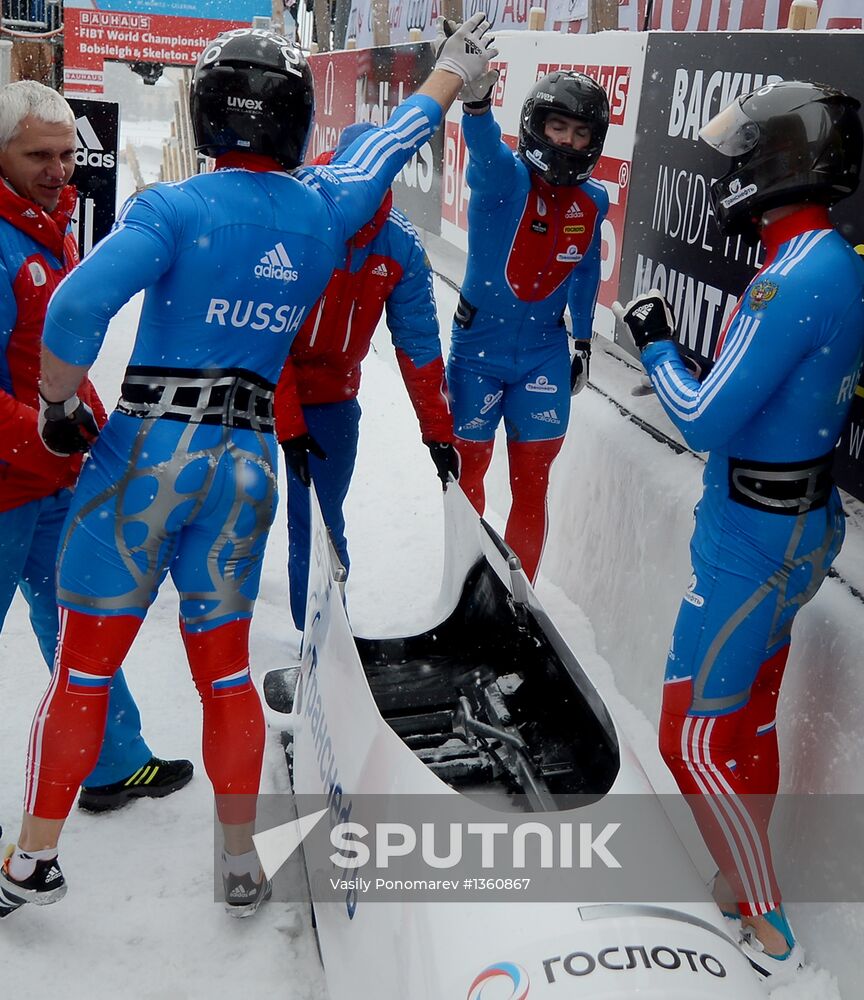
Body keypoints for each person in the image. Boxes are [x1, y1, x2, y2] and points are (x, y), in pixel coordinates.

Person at [0, 17, 497, 918]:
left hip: (149, 450)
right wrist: (451, 75)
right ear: (294, 120)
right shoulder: (321, 210)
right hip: (246, 459)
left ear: (205, 114)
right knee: (223, 672)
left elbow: (75, 311)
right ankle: (237, 860)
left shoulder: (173, 208)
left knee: (83, 669)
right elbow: (389, 145)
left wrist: (62, 407)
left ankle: (33, 858)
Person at [617, 81, 864, 982]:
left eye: (744, 153)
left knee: (689, 736)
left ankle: (764, 917)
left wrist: (652, 339)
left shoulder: (798, 273)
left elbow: (704, 417)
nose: (732, 170)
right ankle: (737, 876)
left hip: (755, 537)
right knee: (747, 713)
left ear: (779, 163)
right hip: (788, 521)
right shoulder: (823, 259)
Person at [0, 82, 192, 834]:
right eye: (38, 155)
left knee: (77, 620)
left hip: (46, 479)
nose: (58, 169)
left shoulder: (48, 224)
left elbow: (54, 361)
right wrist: (41, 431)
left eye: (66, 154)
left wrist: (89, 430)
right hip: (7, 481)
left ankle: (113, 762)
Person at [276, 121, 457, 632]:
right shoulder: (295, 213)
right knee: (238, 510)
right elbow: (264, 334)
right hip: (256, 381)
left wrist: (438, 434)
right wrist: (287, 423)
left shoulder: (398, 243)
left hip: (331, 395)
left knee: (317, 521)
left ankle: (320, 641)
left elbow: (418, 345)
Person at [446, 69, 609, 583]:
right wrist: (475, 106)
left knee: (532, 485)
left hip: (544, 353)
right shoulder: (506, 179)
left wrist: (582, 340)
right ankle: (464, 590)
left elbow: (584, 269)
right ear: (536, 125)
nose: (569, 141)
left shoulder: (594, 200)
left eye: (582, 133)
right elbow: (488, 148)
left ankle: (518, 605)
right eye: (559, 127)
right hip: (478, 354)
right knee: (466, 473)